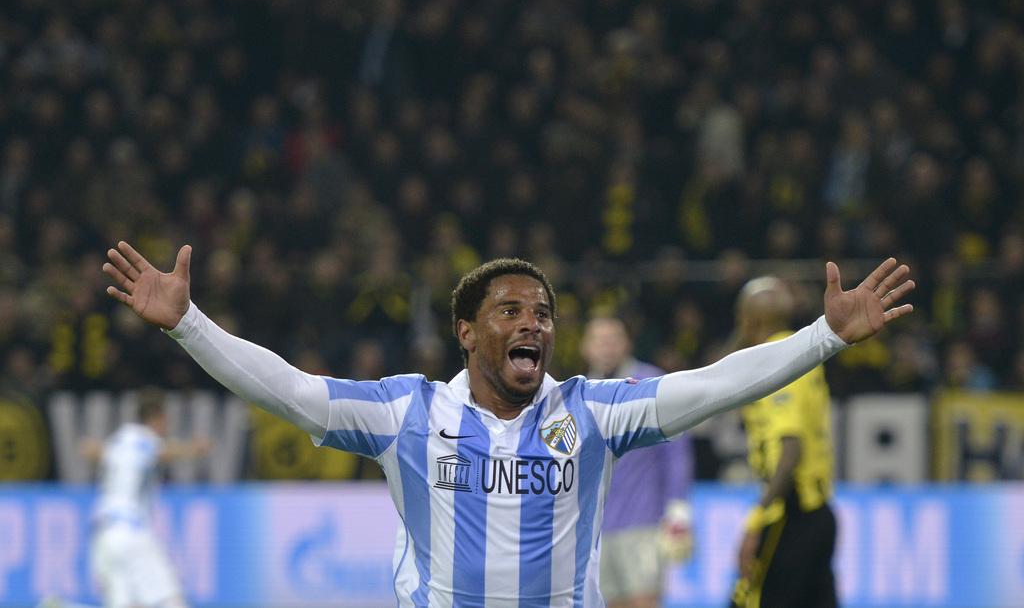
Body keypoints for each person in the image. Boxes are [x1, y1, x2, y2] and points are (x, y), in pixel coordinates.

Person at [101, 241, 914, 607]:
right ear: (467, 331)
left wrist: (823, 336)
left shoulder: (592, 414)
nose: (536, 323)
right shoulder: (405, 413)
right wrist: (188, 325)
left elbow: (714, 385)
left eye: (545, 312)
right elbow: (289, 391)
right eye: (511, 310)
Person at [728, 277, 839, 608]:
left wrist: (756, 520)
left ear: (749, 319)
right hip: (818, 512)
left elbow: (790, 450)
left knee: (748, 600)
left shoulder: (778, 361)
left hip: (790, 513)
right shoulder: (798, 350)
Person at [580, 317, 694, 608]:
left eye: (613, 339)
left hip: (643, 523)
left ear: (627, 343)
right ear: (585, 347)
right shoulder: (579, 393)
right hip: (596, 530)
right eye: (599, 340)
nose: (606, 348)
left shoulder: (650, 383)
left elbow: (677, 451)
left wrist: (677, 508)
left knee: (643, 601)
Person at [85, 388, 209, 608]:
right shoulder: (144, 439)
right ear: (158, 417)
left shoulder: (120, 439)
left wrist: (93, 449)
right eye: (166, 419)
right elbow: (159, 452)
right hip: (131, 532)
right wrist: (192, 449)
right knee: (171, 601)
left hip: (103, 536)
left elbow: (95, 451)